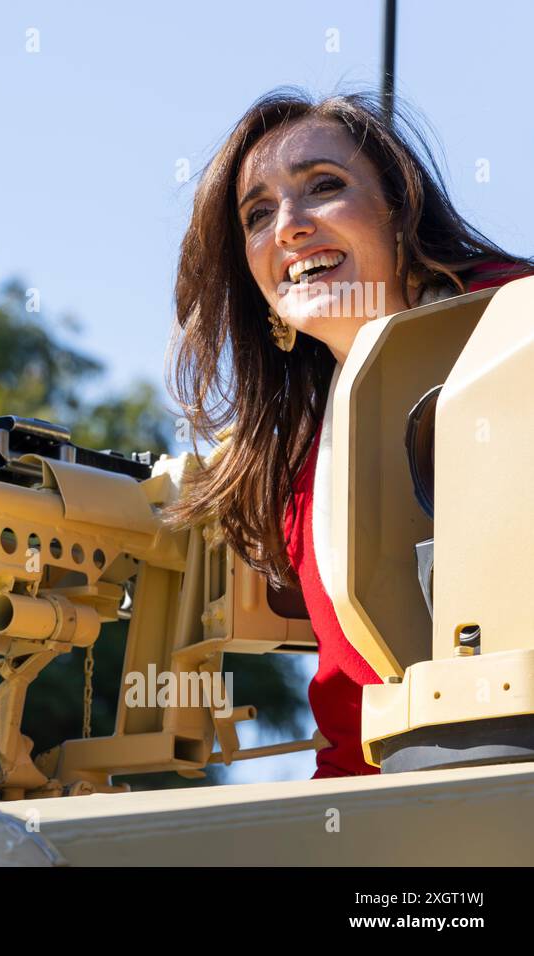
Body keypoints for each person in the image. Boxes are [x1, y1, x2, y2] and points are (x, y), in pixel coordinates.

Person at [165, 90, 532, 778]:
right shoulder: (294, 475)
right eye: (259, 214)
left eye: (324, 187)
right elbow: (351, 724)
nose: (290, 228)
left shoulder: (517, 325)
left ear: (402, 211)